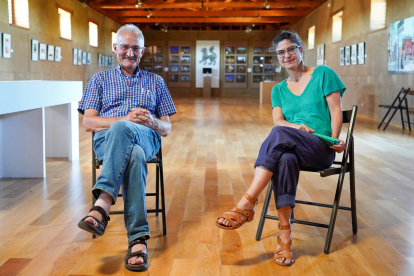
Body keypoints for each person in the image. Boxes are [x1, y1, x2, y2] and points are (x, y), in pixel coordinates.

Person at [216, 30, 346, 267]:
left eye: (290, 49)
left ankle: (247, 203)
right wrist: (296, 127)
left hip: (320, 147)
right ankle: (284, 238)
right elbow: (279, 121)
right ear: (277, 57)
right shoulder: (278, 89)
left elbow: (336, 110)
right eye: (281, 52)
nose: (286, 55)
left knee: (279, 134)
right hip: (294, 147)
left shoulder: (323, 74)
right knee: (284, 158)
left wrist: (335, 139)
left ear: (300, 50)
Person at [77, 24, 176, 272]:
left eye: (135, 48)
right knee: (132, 151)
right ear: (115, 48)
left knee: (130, 136)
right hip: (108, 143)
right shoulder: (99, 80)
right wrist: (124, 121)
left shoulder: (156, 81)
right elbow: (88, 121)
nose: (129, 53)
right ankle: (138, 240)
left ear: (142, 51)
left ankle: (103, 203)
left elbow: (166, 128)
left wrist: (151, 121)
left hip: (147, 137)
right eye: (125, 47)